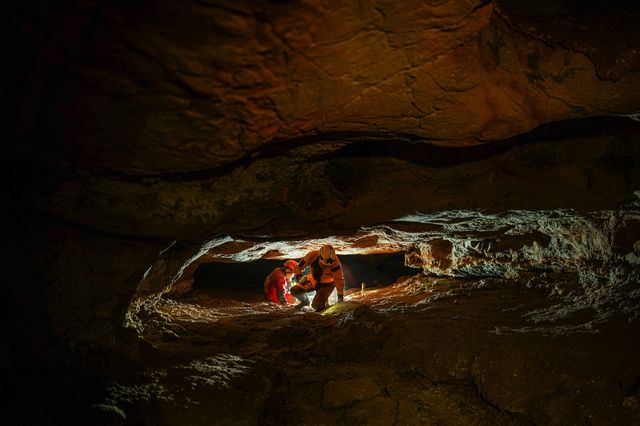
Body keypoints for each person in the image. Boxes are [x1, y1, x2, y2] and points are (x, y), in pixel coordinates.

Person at [290, 244, 345, 311]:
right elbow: (298, 267)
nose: (325, 265)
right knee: (294, 290)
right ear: (320, 256)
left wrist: (340, 297)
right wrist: (299, 277)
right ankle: (305, 302)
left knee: (316, 305)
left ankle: (323, 304)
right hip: (312, 281)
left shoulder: (336, 264)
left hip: (327, 285)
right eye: (324, 263)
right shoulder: (312, 255)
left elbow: (339, 280)